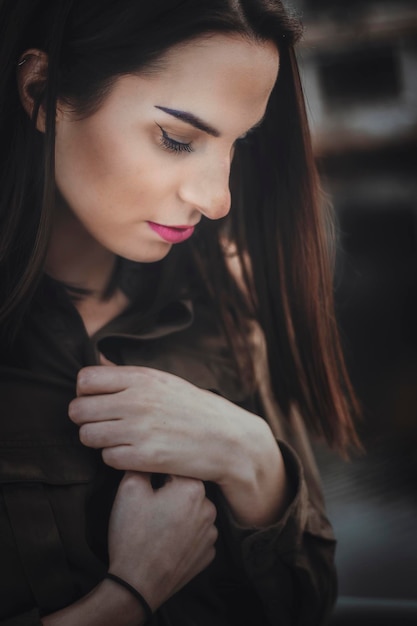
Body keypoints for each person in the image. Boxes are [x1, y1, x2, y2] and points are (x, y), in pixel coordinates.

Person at [0, 0, 359, 624]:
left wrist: (251, 458)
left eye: (236, 146)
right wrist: (132, 593)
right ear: (41, 92)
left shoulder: (219, 310)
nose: (217, 200)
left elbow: (307, 602)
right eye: (177, 139)